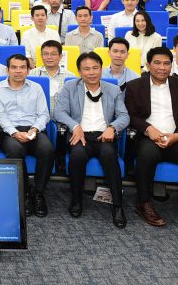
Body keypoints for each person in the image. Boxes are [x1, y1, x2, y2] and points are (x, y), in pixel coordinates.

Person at [125, 47, 178, 230]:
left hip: (176, 137)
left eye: (166, 63)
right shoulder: (135, 86)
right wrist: (148, 129)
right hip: (149, 138)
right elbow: (130, 115)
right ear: (148, 65)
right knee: (147, 155)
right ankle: (143, 203)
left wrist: (177, 136)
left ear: (172, 65)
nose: (162, 67)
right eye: (157, 63)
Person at [55, 52, 129, 227]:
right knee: (77, 156)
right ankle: (76, 200)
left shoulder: (113, 89)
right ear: (79, 72)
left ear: (101, 69)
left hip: (104, 135)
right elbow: (59, 112)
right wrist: (75, 126)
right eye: (86, 69)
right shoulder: (70, 87)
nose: (92, 72)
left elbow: (124, 116)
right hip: (80, 135)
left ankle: (118, 206)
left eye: (95, 68)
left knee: (110, 156)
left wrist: (112, 128)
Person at [0, 54, 53, 217]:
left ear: (28, 70)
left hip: (33, 129)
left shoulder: (36, 88)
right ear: (7, 70)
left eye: (22, 67)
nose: (18, 71)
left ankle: (38, 193)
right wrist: (15, 132)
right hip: (9, 131)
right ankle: (23, 194)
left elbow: (44, 114)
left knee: (47, 149)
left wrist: (34, 129)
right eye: (14, 67)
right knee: (15, 150)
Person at [31, 40, 75, 115]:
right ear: (41, 56)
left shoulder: (71, 76)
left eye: (53, 54)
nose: (49, 57)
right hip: (37, 116)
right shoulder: (31, 75)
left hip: (63, 117)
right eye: (45, 54)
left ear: (60, 56)